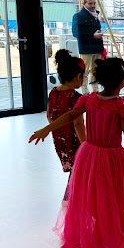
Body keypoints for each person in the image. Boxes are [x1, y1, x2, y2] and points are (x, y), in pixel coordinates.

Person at [29, 57, 124, 248]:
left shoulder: (89, 100)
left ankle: (95, 220)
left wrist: (46, 128)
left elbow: (69, 117)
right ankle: (108, 226)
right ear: (122, 82)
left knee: (90, 189)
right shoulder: (120, 106)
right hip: (112, 156)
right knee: (111, 190)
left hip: (89, 153)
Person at [47, 49, 86, 205]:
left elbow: (49, 114)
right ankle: (71, 198)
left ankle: (72, 196)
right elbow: (77, 123)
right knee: (79, 167)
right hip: (74, 141)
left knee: (74, 168)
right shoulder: (76, 97)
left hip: (59, 139)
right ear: (78, 77)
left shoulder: (53, 92)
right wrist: (85, 144)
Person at [71, 0, 104, 95]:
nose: (93, 5)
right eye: (90, 3)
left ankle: (95, 89)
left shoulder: (96, 15)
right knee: (84, 70)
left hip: (97, 47)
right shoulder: (78, 16)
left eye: (94, 3)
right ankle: (84, 90)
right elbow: (76, 32)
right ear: (84, 3)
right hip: (86, 47)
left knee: (95, 70)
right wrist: (92, 35)